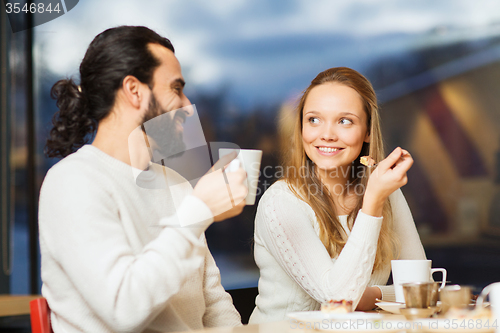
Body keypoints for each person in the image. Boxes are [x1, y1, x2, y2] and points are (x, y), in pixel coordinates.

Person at [39, 26, 248, 332]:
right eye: (176, 88)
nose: (188, 105)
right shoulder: (72, 182)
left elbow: (214, 303)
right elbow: (123, 309)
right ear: (134, 91)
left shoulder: (174, 183)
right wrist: (198, 210)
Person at [249, 67, 427, 323]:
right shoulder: (280, 202)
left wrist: (372, 295)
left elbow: (420, 286)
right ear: (301, 128)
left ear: (367, 131)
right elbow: (338, 299)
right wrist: (372, 203)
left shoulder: (384, 190)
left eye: (345, 121)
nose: (327, 134)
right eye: (314, 119)